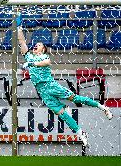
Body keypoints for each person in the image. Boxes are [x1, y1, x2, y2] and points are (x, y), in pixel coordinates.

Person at [16, 13, 113, 146]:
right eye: (36, 44)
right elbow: (21, 41)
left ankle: (102, 107)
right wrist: (19, 28)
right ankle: (81, 133)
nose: (36, 45)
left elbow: (46, 63)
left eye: (39, 45)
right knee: (62, 114)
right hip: (42, 91)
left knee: (76, 98)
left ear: (43, 49)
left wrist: (32, 64)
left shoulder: (43, 57)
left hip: (50, 86)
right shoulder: (29, 57)